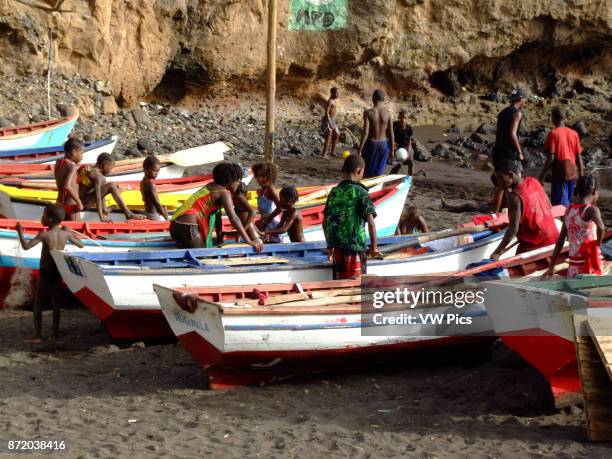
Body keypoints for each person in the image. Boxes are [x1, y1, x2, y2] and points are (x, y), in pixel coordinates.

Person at [15, 204, 84, 342]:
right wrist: (70, 230)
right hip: (58, 270)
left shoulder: (44, 234)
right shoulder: (66, 233)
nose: (41, 218)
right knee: (56, 303)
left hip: (46, 272)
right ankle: (55, 333)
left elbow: (26, 246)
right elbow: (81, 244)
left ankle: (38, 335)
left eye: (44, 216)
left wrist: (20, 232)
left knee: (38, 303)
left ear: (50, 220)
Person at [170, 162, 263, 252]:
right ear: (231, 181)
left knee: (199, 248)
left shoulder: (210, 186)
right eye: (238, 181)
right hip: (188, 227)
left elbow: (216, 216)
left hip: (175, 226)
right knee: (202, 255)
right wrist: (249, 241)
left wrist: (219, 236)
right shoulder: (223, 193)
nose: (238, 184)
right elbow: (234, 218)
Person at [323, 154, 379, 279]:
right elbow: (370, 222)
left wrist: (330, 246)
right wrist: (374, 247)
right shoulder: (361, 192)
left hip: (337, 246)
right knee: (356, 284)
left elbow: (325, 221)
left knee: (340, 282)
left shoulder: (334, 192)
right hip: (355, 246)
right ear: (359, 171)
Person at [490, 160, 559, 260]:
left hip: (536, 245)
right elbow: (549, 206)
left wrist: (497, 252)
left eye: (501, 178)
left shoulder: (514, 197)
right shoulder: (533, 181)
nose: (499, 184)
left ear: (510, 175)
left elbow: (513, 230)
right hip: (554, 238)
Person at [545, 175, 604, 278]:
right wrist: (597, 244)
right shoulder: (592, 210)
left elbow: (560, 240)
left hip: (574, 265)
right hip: (589, 265)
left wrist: (552, 265)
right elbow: (601, 228)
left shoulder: (569, 210)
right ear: (594, 192)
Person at [78, 153, 145, 222]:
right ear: (105, 165)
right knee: (112, 185)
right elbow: (98, 198)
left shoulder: (89, 169)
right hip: (83, 204)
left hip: (82, 200)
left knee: (106, 185)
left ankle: (105, 209)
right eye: (111, 168)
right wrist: (102, 217)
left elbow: (100, 192)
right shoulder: (98, 176)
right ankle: (128, 214)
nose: (110, 171)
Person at [491, 88, 528, 213]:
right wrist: (520, 152)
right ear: (520, 99)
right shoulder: (517, 113)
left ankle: (496, 212)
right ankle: (508, 211)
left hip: (498, 151)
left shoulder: (503, 112)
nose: (525, 101)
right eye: (524, 98)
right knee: (513, 182)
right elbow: (512, 134)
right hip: (508, 152)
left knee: (501, 185)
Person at [539, 107, 583, 207]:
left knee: (560, 206)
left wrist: (542, 175)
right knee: (569, 201)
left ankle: (562, 222)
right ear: (565, 118)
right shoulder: (574, 134)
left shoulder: (553, 133)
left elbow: (551, 158)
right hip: (573, 173)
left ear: (553, 118)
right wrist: (581, 175)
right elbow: (579, 156)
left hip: (560, 174)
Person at [358, 89, 394, 178]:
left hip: (371, 144)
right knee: (379, 172)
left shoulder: (368, 113)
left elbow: (365, 132)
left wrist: (360, 150)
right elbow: (391, 133)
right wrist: (392, 150)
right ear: (383, 100)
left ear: (373, 99)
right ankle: (376, 188)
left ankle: (366, 188)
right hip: (383, 144)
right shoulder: (388, 114)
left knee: (367, 170)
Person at [55, 138, 84, 221]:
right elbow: (67, 186)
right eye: (81, 153)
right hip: (71, 205)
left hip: (59, 204)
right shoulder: (72, 166)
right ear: (74, 152)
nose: (82, 157)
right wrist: (79, 202)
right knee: (75, 232)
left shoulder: (58, 162)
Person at [252, 162, 282, 243]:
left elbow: (280, 208)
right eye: (257, 176)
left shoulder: (270, 189)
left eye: (262, 176)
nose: (259, 179)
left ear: (270, 176)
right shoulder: (261, 190)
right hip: (264, 223)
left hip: (272, 225)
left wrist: (266, 220)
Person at [140, 155, 168, 221]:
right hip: (153, 215)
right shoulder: (151, 184)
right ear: (146, 169)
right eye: (154, 171)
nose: (156, 173)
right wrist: (166, 217)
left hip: (147, 212)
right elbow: (157, 203)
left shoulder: (143, 181)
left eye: (158, 171)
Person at [390, 109, 414, 176]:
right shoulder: (394, 125)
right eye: (402, 118)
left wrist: (408, 151)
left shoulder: (409, 128)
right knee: (396, 162)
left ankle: (410, 178)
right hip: (396, 146)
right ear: (398, 118)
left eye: (405, 118)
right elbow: (389, 135)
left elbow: (409, 141)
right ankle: (394, 172)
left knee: (411, 162)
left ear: (407, 119)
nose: (403, 120)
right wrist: (393, 143)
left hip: (406, 146)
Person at [321, 87, 340, 158]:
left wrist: (332, 122)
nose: (337, 94)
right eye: (336, 93)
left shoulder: (335, 100)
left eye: (338, 93)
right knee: (329, 135)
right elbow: (326, 113)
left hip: (333, 120)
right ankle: (324, 154)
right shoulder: (330, 101)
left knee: (337, 134)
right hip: (327, 120)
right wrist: (329, 123)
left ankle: (333, 152)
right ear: (332, 93)